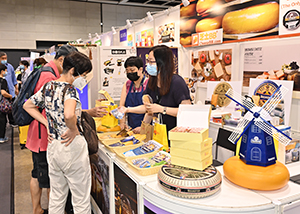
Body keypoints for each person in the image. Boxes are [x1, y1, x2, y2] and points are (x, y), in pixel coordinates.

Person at [25, 45, 106, 214]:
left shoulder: (49, 86)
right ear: (73, 71)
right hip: (72, 149)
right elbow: (69, 115)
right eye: (83, 75)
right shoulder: (70, 90)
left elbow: (28, 105)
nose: (83, 79)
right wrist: (74, 128)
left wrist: (47, 123)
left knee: (56, 197)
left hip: (54, 147)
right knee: (80, 200)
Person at [120, 45, 191, 135]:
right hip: (159, 133)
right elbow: (148, 108)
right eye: (148, 61)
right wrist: (129, 111)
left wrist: (162, 109)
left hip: (176, 134)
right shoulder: (152, 81)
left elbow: (187, 111)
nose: (148, 65)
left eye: (152, 62)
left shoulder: (177, 82)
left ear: (163, 63)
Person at [119, 56, 148, 134]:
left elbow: (149, 109)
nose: (129, 73)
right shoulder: (127, 84)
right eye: (127, 70)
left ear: (140, 69)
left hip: (146, 126)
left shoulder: (147, 84)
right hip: (131, 126)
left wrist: (143, 126)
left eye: (132, 70)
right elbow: (121, 106)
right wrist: (122, 123)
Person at [0, 51, 18, 127]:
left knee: (12, 109)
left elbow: (14, 79)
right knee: (2, 112)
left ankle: (12, 122)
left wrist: (16, 88)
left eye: (5, 58)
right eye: (2, 58)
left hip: (10, 91)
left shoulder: (10, 67)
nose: (4, 59)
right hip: (2, 93)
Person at [0, 64, 12, 143]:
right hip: (1, 103)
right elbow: (3, 92)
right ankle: (1, 137)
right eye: (5, 70)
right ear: (2, 71)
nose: (6, 72)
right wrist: (10, 96)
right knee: (2, 121)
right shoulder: (3, 81)